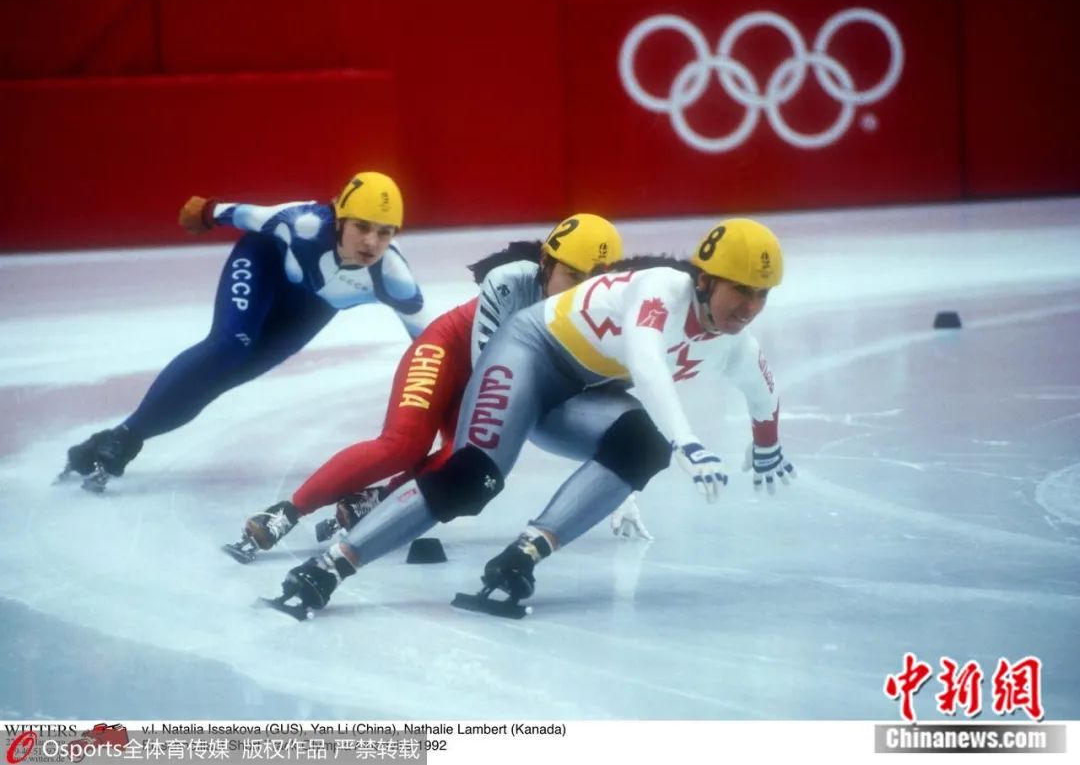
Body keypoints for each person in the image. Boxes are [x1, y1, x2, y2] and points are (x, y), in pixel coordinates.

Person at [265, 217, 795, 619]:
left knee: (642, 448)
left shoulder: (735, 347)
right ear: (702, 281)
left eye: (760, 294)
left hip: (575, 391)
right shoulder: (660, 290)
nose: (748, 306)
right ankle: (329, 566)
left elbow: (762, 395)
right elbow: (646, 360)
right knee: (472, 479)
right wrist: (688, 440)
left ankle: (519, 559)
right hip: (528, 352)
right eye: (739, 288)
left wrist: (767, 447)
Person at [229, 213, 652, 563]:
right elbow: (497, 374)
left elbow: (603, 406)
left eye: (592, 281)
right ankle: (286, 511)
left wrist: (618, 486)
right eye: (571, 275)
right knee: (403, 445)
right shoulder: (508, 281)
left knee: (467, 472)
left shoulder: (609, 315)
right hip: (451, 353)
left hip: (499, 380)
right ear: (545, 262)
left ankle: (376, 502)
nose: (580, 292)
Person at [59, 171, 429, 492]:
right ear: (338, 219)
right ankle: (123, 438)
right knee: (230, 346)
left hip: (310, 309)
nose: (370, 242)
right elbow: (252, 215)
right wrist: (207, 211)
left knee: (227, 376)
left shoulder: (394, 279)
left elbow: (432, 345)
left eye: (384, 232)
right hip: (263, 260)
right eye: (361, 227)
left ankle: (121, 438)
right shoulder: (305, 224)